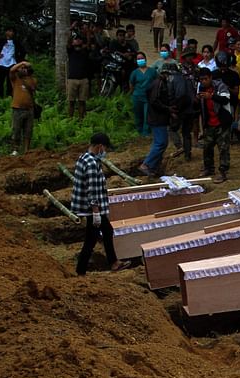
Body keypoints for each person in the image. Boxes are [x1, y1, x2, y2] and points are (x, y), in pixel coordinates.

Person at [71, 133, 130, 275]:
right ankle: (107, 264)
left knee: (95, 237)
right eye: (105, 148)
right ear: (99, 147)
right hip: (92, 208)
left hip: (89, 207)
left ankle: (84, 269)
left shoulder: (84, 158)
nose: (105, 152)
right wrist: (96, 211)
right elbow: (92, 189)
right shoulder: (91, 163)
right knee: (96, 237)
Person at [197, 67, 232, 183]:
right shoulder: (200, 88)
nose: (203, 81)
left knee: (223, 148)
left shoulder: (220, 86)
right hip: (209, 123)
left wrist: (211, 96)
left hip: (222, 122)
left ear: (210, 77)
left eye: (205, 79)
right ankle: (209, 168)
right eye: (201, 79)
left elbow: (225, 99)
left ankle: (223, 172)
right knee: (207, 147)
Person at [139, 67, 172, 178]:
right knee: (161, 142)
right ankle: (147, 164)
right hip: (157, 118)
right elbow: (154, 101)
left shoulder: (158, 83)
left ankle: (153, 167)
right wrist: (168, 109)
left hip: (157, 117)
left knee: (161, 142)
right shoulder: (159, 84)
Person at [8, 61, 36, 156]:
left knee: (28, 130)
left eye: (24, 68)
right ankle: (15, 149)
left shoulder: (32, 80)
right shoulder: (15, 79)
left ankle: (26, 150)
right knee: (16, 130)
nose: (22, 69)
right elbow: (12, 70)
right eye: (21, 68)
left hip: (29, 109)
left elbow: (33, 86)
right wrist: (22, 63)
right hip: (18, 108)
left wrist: (28, 67)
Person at [0, 27, 26, 98]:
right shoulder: (0, 40)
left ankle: (9, 95)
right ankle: (0, 95)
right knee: (0, 81)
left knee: (10, 80)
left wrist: (18, 59)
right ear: (6, 32)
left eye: (12, 31)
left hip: (12, 63)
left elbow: (23, 51)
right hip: (1, 63)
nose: (11, 33)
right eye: (9, 31)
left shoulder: (16, 42)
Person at [129, 51, 157, 136]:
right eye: (138, 59)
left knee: (147, 115)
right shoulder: (134, 72)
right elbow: (131, 83)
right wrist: (132, 93)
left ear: (145, 59)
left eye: (142, 58)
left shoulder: (152, 71)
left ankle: (146, 132)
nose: (140, 60)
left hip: (148, 97)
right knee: (138, 115)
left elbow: (157, 82)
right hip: (137, 97)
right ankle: (139, 131)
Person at [67, 35, 91, 119]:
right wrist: (71, 30)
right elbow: (68, 43)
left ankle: (81, 120)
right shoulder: (70, 51)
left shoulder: (85, 51)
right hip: (72, 79)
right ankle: (70, 120)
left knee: (82, 101)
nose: (77, 40)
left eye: (79, 39)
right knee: (71, 101)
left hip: (83, 79)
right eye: (75, 39)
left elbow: (88, 44)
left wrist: (87, 33)